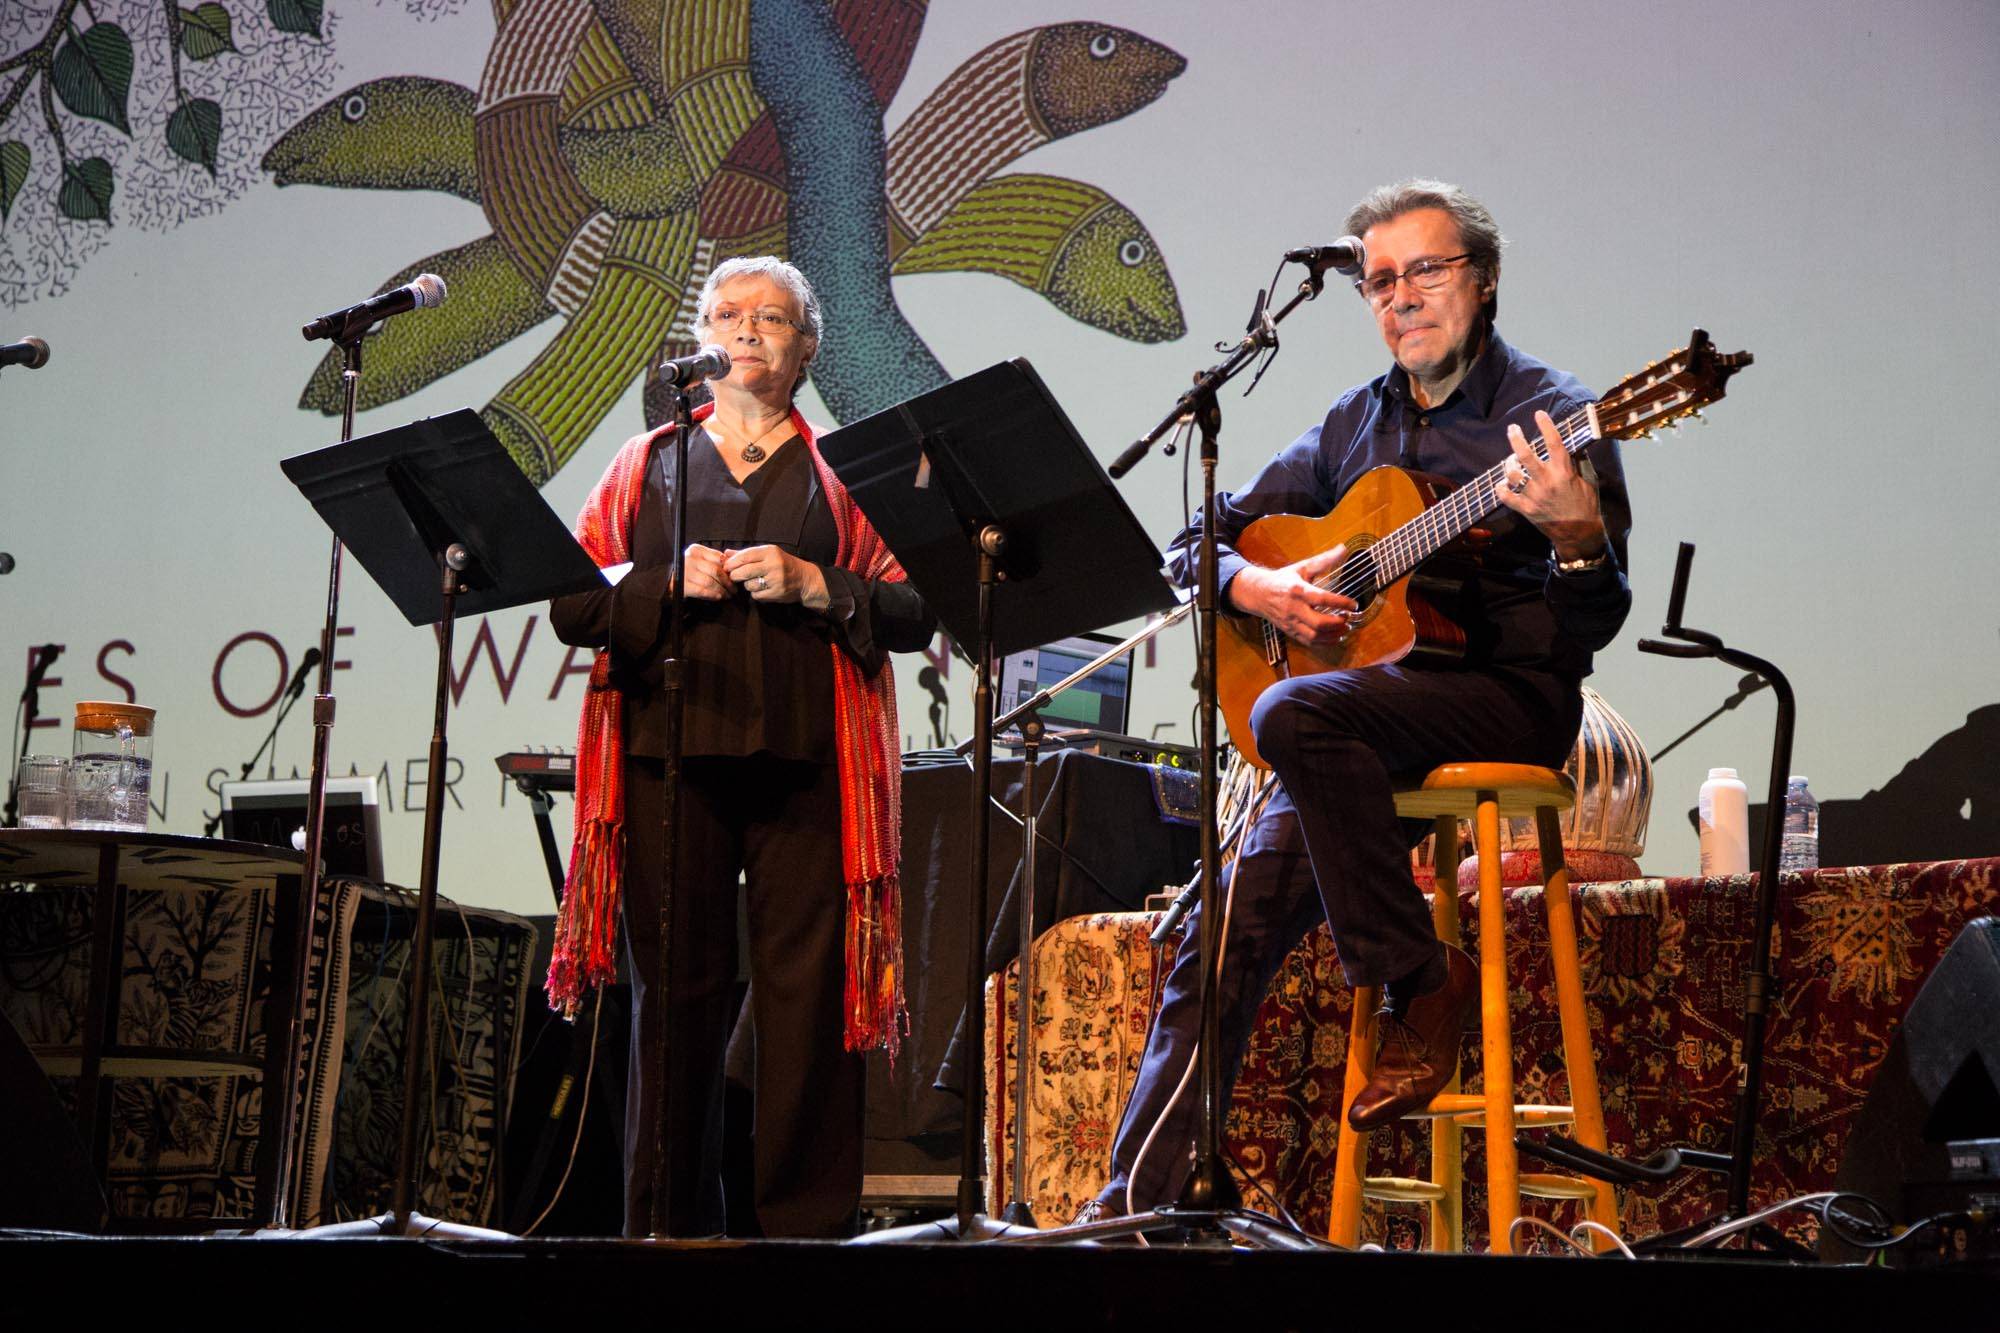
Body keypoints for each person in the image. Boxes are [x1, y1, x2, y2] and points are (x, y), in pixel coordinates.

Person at [1085, 180, 1633, 1218]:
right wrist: (1259, 589)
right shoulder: (1349, 424)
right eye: (1379, 281)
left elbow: (1595, 618)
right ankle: (1136, 1215)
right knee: (1217, 936)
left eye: (1423, 272)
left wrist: (1574, 537)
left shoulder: (1553, 413)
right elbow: (1192, 542)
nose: (1399, 298)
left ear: (1483, 281)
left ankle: (1415, 983)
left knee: (1292, 715)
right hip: (1354, 725)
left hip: (1498, 695)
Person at [547, 256, 934, 1238]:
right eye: (727, 313)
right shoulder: (643, 464)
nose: (747, 327)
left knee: (806, 1016)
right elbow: (571, 601)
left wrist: (816, 584)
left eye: (772, 317)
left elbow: (912, 604)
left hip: (809, 767)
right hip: (666, 761)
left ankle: (803, 1234)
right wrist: (663, 580)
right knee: (673, 1005)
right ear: (703, 339)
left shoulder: (849, 474)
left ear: (807, 349)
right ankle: (665, 1229)